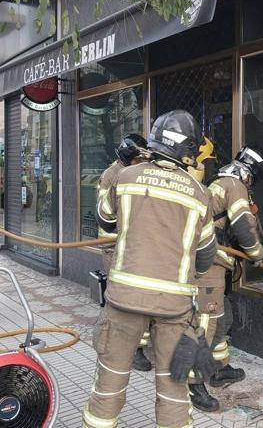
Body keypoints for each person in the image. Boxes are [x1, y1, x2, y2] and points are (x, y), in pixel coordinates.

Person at [83, 110, 218, 428]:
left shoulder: (126, 177)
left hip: (124, 301)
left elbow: (104, 219)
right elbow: (206, 255)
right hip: (174, 307)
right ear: (189, 151)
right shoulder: (200, 194)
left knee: (110, 382)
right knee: (173, 389)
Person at [189, 145, 263, 412]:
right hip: (209, 264)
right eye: (252, 178)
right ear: (248, 172)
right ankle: (194, 383)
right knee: (205, 324)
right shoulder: (233, 185)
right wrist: (257, 253)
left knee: (219, 320)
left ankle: (219, 369)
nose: (250, 183)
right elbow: (243, 223)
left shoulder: (222, 183)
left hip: (215, 263)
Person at [97, 132, 153, 372]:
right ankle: (132, 350)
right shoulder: (112, 176)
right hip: (115, 246)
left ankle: (138, 343)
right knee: (126, 299)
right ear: (131, 157)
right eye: (141, 158)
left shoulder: (131, 172)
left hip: (132, 244)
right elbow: (107, 215)